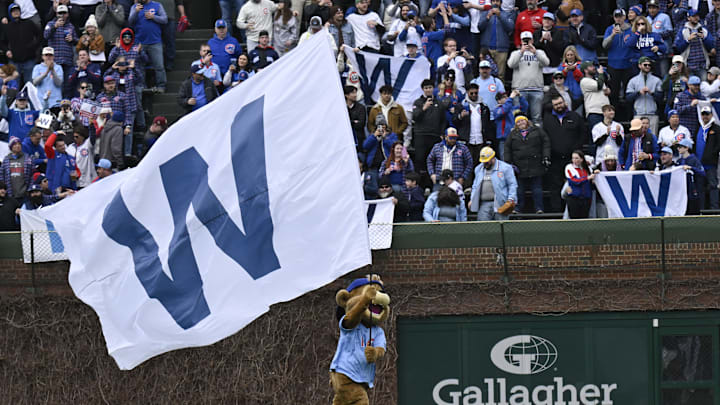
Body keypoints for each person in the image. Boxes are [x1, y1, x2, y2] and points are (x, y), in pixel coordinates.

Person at [543, 95, 586, 212]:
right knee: (555, 186)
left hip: (572, 159)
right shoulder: (547, 119)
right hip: (555, 159)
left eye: (560, 103)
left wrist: (576, 149)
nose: (559, 106)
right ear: (552, 106)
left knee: (573, 185)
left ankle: (573, 211)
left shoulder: (575, 116)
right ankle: (557, 212)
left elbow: (582, 134)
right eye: (556, 104)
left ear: (565, 102)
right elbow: (544, 138)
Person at [504, 115, 550, 213]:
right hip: (519, 166)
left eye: (522, 121)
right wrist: (508, 163)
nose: (521, 123)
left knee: (537, 189)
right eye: (518, 122)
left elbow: (546, 143)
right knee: (519, 190)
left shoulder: (537, 130)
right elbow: (507, 149)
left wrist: (546, 156)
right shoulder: (512, 134)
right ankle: (518, 208)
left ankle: (539, 208)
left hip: (536, 164)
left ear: (527, 121)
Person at [507, 31, 549, 126]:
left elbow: (546, 63)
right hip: (519, 90)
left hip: (536, 89)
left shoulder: (539, 52)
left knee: (537, 118)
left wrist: (535, 53)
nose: (526, 42)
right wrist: (521, 52)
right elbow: (510, 64)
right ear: (521, 41)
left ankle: (537, 139)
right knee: (520, 118)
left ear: (532, 40)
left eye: (528, 40)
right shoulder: (515, 53)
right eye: (524, 40)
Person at [129, 0, 168, 93]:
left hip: (155, 41)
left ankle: (161, 86)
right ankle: (142, 86)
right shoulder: (134, 7)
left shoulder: (157, 5)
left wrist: (153, 17)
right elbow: (130, 22)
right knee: (140, 67)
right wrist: (136, 12)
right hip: (140, 43)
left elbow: (165, 19)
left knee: (159, 66)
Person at [469, 146, 517, 221]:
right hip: (483, 204)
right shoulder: (478, 169)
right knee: (483, 228)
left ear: (493, 158)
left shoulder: (505, 168)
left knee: (501, 228)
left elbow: (512, 185)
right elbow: (475, 186)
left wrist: (511, 199)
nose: (485, 163)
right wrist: (472, 199)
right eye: (483, 161)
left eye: (487, 161)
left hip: (501, 203)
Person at [412, 79, 449, 174]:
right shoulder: (418, 102)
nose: (428, 90)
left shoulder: (439, 103)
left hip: (434, 136)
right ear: (422, 89)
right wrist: (424, 108)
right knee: (420, 159)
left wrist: (441, 133)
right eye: (426, 88)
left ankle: (431, 183)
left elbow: (443, 120)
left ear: (433, 88)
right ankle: (420, 184)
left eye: (430, 88)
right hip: (421, 135)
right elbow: (415, 117)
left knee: (433, 160)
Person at [452, 83, 492, 171]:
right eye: (471, 93)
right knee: (467, 166)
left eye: (476, 93)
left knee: (481, 166)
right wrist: (460, 116)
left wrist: (488, 140)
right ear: (467, 93)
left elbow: (488, 125)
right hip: (467, 140)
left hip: (480, 140)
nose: (474, 95)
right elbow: (454, 121)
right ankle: (467, 185)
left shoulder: (484, 107)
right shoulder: (461, 106)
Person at [1, 2, 41, 84]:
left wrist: (34, 47)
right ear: (10, 13)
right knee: (14, 85)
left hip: (29, 59)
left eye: (17, 10)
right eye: (13, 11)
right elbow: (2, 42)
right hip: (14, 61)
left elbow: (40, 36)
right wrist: (7, 51)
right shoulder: (7, 27)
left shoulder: (29, 23)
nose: (16, 12)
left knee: (30, 85)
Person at [603, 9, 632, 119]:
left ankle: (629, 118)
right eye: (616, 17)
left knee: (628, 93)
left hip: (628, 65)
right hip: (613, 65)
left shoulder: (630, 29)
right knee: (613, 94)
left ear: (624, 17)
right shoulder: (610, 29)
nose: (618, 19)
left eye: (620, 16)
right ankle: (614, 118)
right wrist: (612, 35)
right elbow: (604, 45)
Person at [626, 57, 664, 135]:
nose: (647, 66)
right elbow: (628, 97)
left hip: (653, 114)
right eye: (645, 65)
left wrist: (651, 93)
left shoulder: (657, 80)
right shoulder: (633, 80)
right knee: (637, 137)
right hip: (638, 113)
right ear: (639, 65)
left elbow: (661, 97)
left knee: (652, 138)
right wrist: (638, 93)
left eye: (649, 65)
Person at [477, 0, 513, 80]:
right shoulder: (485, 14)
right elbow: (479, 27)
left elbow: (510, 28)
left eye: (497, 1)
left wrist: (500, 16)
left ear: (501, 3)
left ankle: (500, 92)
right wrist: (487, 18)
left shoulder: (507, 14)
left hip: (501, 49)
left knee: (500, 76)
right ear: (491, 2)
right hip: (486, 49)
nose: (495, 3)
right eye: (493, 1)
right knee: (485, 74)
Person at [674, 9, 715, 80]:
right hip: (688, 66)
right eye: (693, 16)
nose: (696, 18)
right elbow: (678, 48)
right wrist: (687, 40)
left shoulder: (703, 29)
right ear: (688, 18)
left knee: (702, 86)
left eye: (697, 16)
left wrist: (704, 38)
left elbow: (711, 46)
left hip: (701, 65)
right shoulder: (683, 30)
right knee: (690, 86)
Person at [96, 76, 133, 152]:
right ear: (104, 85)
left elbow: (127, 111)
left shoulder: (122, 96)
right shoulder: (99, 97)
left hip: (118, 125)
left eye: (112, 83)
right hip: (104, 125)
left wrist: (128, 126)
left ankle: (127, 154)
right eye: (108, 84)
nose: (111, 85)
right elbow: (96, 113)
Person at [43, 4, 77, 83]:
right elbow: (45, 36)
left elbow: (76, 40)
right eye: (60, 13)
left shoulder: (70, 26)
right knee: (55, 82)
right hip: (55, 60)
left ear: (67, 14)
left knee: (67, 84)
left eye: (64, 13)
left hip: (67, 59)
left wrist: (72, 39)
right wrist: (54, 27)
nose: (62, 15)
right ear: (56, 14)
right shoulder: (50, 24)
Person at [695, 105, 720, 208]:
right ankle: (701, 209)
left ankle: (714, 209)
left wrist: (712, 155)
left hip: (710, 165)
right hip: (699, 164)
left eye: (707, 114)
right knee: (700, 187)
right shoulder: (699, 128)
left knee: (713, 186)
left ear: (711, 115)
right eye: (703, 114)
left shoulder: (717, 129)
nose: (705, 116)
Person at [494, 90, 528, 160]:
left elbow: (525, 107)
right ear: (498, 101)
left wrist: (520, 96)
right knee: (505, 159)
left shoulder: (513, 109)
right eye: (504, 97)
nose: (507, 99)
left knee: (517, 159)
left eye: (507, 97)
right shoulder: (497, 110)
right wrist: (511, 98)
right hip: (504, 140)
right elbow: (504, 110)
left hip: (515, 138)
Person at [579, 60, 611, 133]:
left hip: (605, 112)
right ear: (585, 70)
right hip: (594, 113)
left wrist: (608, 90)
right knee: (596, 137)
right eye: (591, 66)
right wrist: (601, 73)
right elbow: (599, 86)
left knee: (607, 136)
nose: (594, 68)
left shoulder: (598, 79)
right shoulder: (584, 81)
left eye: (593, 66)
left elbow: (605, 89)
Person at [676, 137, 705, 214]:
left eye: (680, 147)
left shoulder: (694, 159)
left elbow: (702, 172)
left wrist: (691, 168)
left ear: (686, 148)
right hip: (682, 189)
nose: (678, 149)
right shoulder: (679, 161)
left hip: (692, 188)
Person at [534, 12, 566, 78]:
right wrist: (541, 40)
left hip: (553, 65)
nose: (547, 21)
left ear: (553, 22)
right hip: (539, 66)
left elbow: (561, 49)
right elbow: (534, 48)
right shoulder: (536, 33)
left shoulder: (558, 33)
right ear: (542, 21)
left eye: (549, 19)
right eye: (545, 19)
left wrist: (551, 40)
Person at [564, 149, 594, 218]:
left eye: (577, 158)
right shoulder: (569, 167)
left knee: (584, 219)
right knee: (574, 220)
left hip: (586, 199)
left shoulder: (588, 169)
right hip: (574, 198)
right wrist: (587, 178)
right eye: (573, 158)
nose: (574, 160)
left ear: (582, 159)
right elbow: (575, 181)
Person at [647, 0, 674, 76]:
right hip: (650, 52)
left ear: (658, 8)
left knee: (663, 74)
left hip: (663, 51)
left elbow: (669, 32)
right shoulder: (646, 19)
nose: (652, 10)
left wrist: (655, 36)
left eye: (654, 8)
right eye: (650, 8)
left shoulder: (664, 17)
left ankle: (664, 88)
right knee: (651, 75)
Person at [558, 45, 584, 113]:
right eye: (568, 55)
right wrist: (564, 72)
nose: (570, 57)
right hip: (565, 95)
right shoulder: (561, 66)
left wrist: (574, 69)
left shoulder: (580, 65)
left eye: (571, 55)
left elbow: (582, 78)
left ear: (575, 55)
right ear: (565, 56)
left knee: (578, 116)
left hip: (578, 95)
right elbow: (557, 79)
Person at [345, 85, 366, 150]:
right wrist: (353, 121)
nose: (355, 95)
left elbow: (361, 124)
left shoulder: (361, 107)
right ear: (346, 95)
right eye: (352, 93)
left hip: (359, 141)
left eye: (355, 92)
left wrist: (349, 122)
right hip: (346, 140)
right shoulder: (342, 108)